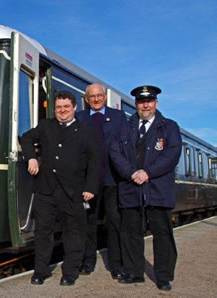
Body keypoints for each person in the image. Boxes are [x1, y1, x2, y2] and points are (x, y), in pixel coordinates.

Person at [21, 91, 101, 286]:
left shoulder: (87, 131)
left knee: (74, 233)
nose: (62, 110)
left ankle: (70, 273)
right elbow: (26, 138)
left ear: (74, 108)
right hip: (45, 189)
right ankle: (40, 271)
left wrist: (91, 187)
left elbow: (95, 162)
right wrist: (31, 157)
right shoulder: (45, 125)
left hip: (74, 191)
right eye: (58, 107)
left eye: (66, 107)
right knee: (43, 233)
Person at [110, 85, 182, 291]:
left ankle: (163, 277)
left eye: (149, 101)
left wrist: (147, 173)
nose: (145, 105)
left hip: (157, 190)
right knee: (130, 233)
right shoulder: (124, 127)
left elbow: (172, 155)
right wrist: (132, 173)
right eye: (142, 102)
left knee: (162, 234)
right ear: (136, 104)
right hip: (130, 188)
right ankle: (134, 273)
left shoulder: (169, 127)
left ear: (156, 103)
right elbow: (115, 154)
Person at [75, 83, 127, 279]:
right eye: (92, 97)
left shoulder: (118, 117)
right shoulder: (79, 118)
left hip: (112, 179)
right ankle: (88, 261)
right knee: (88, 223)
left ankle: (116, 264)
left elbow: (125, 146)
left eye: (99, 96)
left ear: (104, 97)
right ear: (86, 99)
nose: (96, 99)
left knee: (115, 222)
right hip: (88, 182)